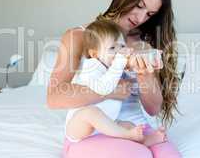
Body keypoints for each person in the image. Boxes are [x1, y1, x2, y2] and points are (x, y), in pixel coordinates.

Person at [47, 0, 182, 158]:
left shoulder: (144, 44)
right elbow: (54, 97)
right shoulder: (79, 36)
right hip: (93, 131)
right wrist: (111, 90)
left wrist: (145, 73)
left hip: (134, 127)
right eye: (139, 5)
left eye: (149, 14)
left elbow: (153, 109)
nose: (141, 17)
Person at [65, 19, 167, 147]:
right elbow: (103, 88)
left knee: (129, 125)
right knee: (91, 112)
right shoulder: (91, 66)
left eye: (122, 46)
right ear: (95, 54)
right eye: (112, 48)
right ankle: (127, 136)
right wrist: (120, 62)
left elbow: (135, 88)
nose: (119, 52)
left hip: (108, 123)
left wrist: (144, 67)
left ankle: (144, 140)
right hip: (81, 127)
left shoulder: (114, 67)